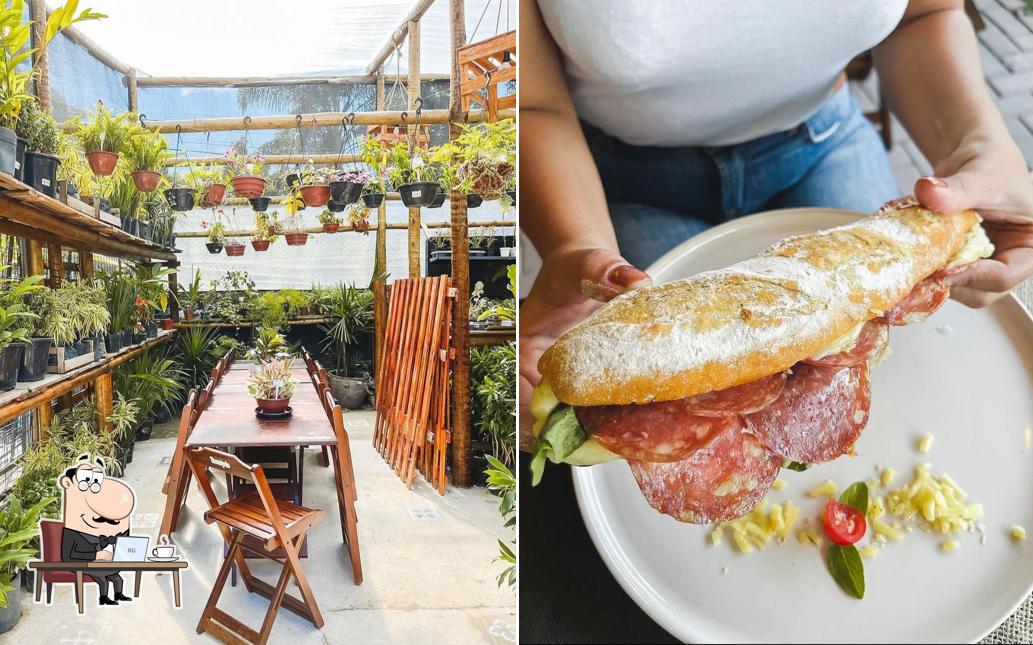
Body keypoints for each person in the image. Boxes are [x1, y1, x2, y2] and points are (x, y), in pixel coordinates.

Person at [519, 0, 1033, 449]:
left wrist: (979, 147)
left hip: (823, 141)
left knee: (894, 378)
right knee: (684, 409)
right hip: (624, 180)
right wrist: (574, 243)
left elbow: (924, 12)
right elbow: (531, 99)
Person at [59, 455, 135, 606]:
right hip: (75, 563)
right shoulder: (71, 531)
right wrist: (96, 554)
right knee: (102, 575)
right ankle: (104, 598)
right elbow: (69, 555)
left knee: (116, 576)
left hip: (92, 560)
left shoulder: (89, 531)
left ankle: (118, 594)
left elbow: (100, 541)